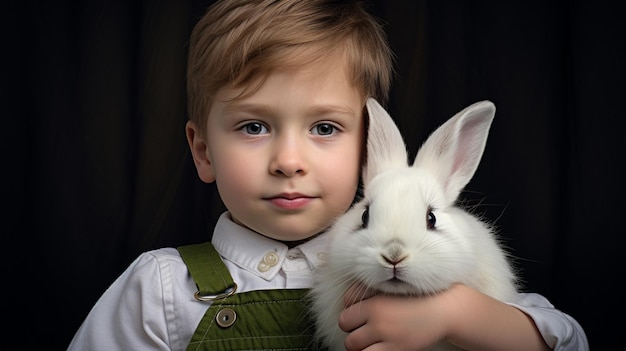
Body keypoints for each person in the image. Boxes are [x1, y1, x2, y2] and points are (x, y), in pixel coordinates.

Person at [68, 0, 589, 350]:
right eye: (254, 126)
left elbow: (570, 339)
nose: (289, 160)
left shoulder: (420, 273)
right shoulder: (160, 288)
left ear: (365, 153)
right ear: (203, 151)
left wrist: (457, 316)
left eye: (323, 127)